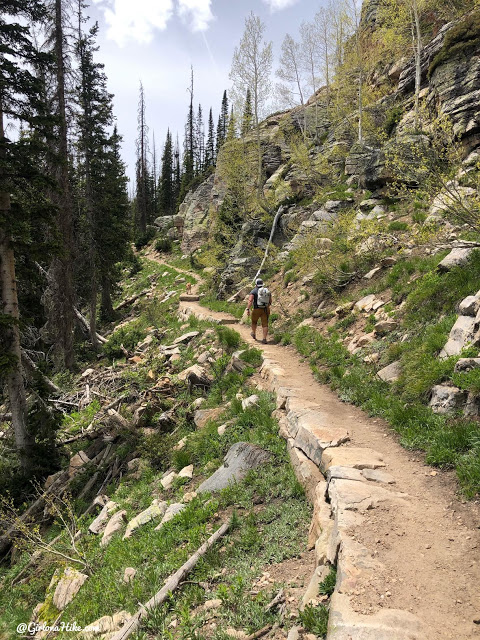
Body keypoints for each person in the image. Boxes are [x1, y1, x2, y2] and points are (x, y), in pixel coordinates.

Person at [246, 278, 272, 344]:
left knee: (254, 322)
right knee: (265, 324)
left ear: (256, 284)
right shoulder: (266, 291)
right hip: (265, 309)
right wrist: (267, 307)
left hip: (256, 309)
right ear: (262, 284)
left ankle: (254, 333)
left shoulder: (253, 291)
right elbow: (270, 301)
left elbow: (250, 301)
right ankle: (264, 339)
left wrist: (248, 309)